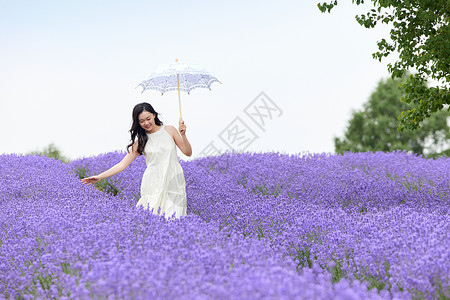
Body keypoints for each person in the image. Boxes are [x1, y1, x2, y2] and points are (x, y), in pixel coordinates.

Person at [81, 102, 192, 219]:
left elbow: (187, 152)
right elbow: (122, 165)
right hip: (153, 182)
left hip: (173, 178)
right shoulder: (141, 140)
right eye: (141, 121)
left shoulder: (170, 130)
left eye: (148, 118)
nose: (146, 123)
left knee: (175, 216)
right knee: (151, 216)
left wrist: (183, 135)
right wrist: (100, 177)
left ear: (154, 115)